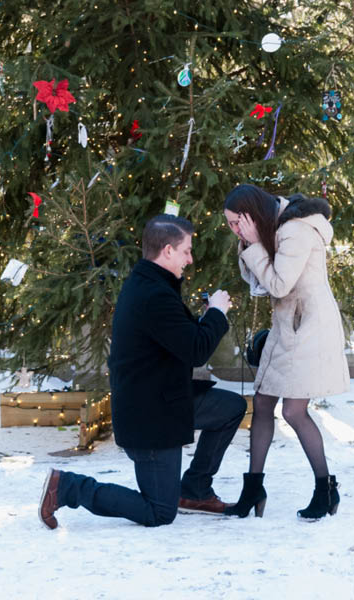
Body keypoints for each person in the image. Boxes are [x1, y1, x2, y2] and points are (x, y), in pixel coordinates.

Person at [38, 214, 246, 528]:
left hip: (165, 400)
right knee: (159, 512)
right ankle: (67, 487)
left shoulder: (153, 285)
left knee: (231, 408)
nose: (190, 259)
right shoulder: (154, 295)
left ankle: (195, 488)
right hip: (150, 417)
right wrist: (216, 313)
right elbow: (196, 351)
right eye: (186, 251)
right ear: (167, 251)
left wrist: (206, 317)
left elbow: (182, 339)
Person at [222, 184, 350, 521]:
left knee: (294, 411)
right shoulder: (276, 228)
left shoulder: (295, 230)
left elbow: (279, 285)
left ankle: (326, 488)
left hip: (308, 327)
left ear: (251, 214)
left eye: (237, 223)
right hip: (287, 325)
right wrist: (249, 244)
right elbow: (259, 286)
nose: (235, 230)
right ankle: (253, 488)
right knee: (262, 402)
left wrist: (251, 245)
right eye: (231, 225)